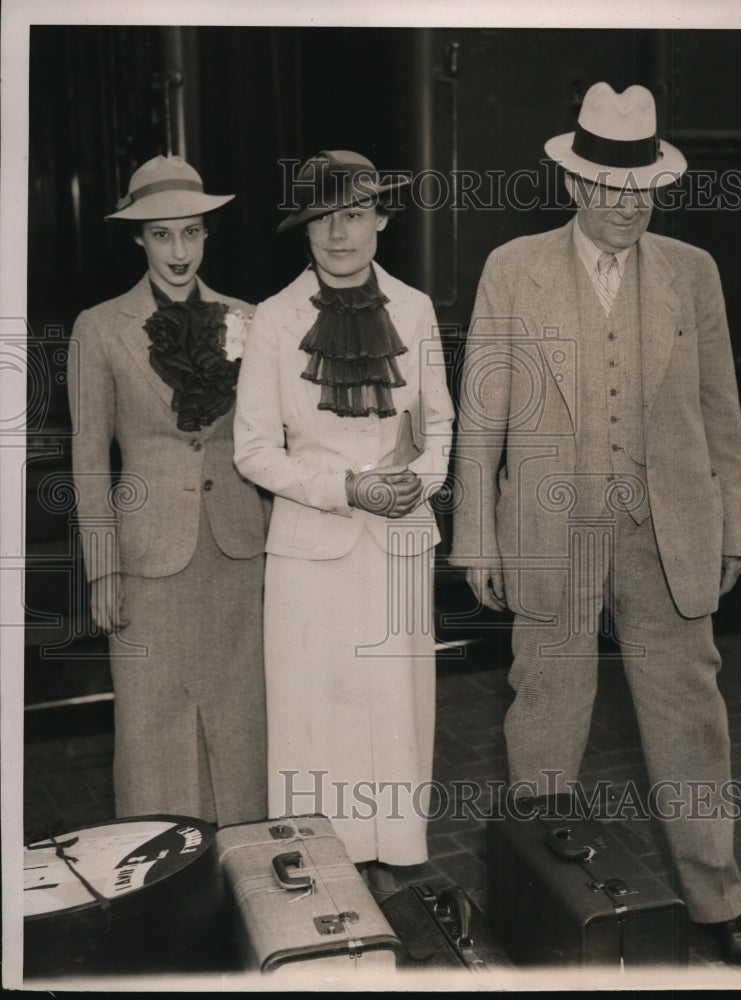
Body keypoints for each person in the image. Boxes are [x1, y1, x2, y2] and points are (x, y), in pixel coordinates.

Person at [449, 83, 741, 967]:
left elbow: (721, 410)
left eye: (643, 189)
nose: (627, 205)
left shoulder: (691, 272)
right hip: (552, 527)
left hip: (671, 529)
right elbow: (482, 415)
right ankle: (546, 895)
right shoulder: (513, 269)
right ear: (577, 185)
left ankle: (717, 904)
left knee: (691, 720)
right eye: (609, 187)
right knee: (547, 710)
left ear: (657, 188)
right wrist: (475, 531)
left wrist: (732, 524)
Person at [233, 150, 454, 897]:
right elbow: (255, 450)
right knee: (312, 714)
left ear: (382, 220)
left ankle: (394, 864)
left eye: (355, 215)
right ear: (304, 230)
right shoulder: (273, 318)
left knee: (393, 711)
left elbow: (442, 427)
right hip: (309, 550)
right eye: (323, 218)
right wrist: (346, 487)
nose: (339, 234)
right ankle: (323, 874)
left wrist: (412, 484)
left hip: (396, 545)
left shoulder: (416, 309)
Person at [67, 155, 268, 827]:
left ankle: (244, 870)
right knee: (153, 723)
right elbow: (90, 455)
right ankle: (164, 881)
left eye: (191, 233)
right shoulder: (99, 327)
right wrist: (103, 567)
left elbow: (267, 442)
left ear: (208, 234)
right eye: (161, 234)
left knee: (241, 719)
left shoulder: (249, 318)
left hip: (237, 549)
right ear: (138, 238)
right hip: (148, 554)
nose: (179, 251)